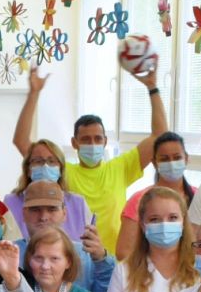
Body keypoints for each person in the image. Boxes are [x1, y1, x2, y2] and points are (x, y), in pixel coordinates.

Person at [12, 66, 168, 253]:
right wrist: (34, 93)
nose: (92, 144)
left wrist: (152, 88)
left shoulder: (120, 168)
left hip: (111, 260)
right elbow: (21, 141)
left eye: (97, 139)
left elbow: (160, 136)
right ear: (74, 143)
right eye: (86, 139)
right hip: (75, 259)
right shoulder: (63, 171)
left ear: (105, 141)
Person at [0, 178, 114, 292]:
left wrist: (101, 259)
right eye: (35, 210)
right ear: (23, 213)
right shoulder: (10, 252)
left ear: (64, 213)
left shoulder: (86, 254)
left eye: (52, 209)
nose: (43, 217)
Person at [116, 132, 196, 261]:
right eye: (164, 159)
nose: (171, 163)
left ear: (186, 158)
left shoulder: (200, 197)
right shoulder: (139, 200)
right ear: (154, 162)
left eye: (177, 157)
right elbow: (123, 252)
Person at [5, 137, 94, 241]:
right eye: (38, 161)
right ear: (28, 169)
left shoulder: (78, 203)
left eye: (52, 161)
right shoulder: (10, 202)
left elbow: (92, 244)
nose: (45, 166)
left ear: (61, 169)